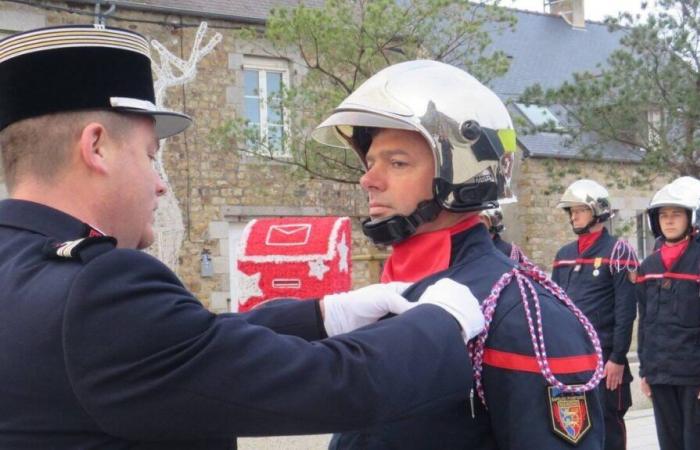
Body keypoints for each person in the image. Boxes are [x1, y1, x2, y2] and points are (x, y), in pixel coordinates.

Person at [0, 25, 487, 449]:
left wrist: (323, 315)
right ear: (97, 147)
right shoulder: (97, 290)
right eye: (151, 155)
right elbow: (340, 386)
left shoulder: (24, 268)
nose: (160, 181)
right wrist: (443, 320)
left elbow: (184, 344)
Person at [312, 59, 605, 449]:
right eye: (369, 164)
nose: (369, 179)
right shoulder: (384, 296)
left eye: (397, 163)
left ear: (462, 176)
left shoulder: (522, 315)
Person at [551, 179, 638, 450]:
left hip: (605, 361)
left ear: (597, 211)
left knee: (609, 429)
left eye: (579, 209)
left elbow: (626, 311)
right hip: (572, 359)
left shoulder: (619, 252)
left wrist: (617, 358)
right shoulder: (563, 255)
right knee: (575, 430)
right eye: (571, 211)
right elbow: (556, 307)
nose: (573, 216)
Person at [636, 181, 700, 450]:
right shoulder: (647, 267)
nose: (669, 221)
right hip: (661, 373)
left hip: (693, 374)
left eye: (676, 214)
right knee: (670, 444)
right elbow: (645, 323)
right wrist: (645, 370)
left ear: (692, 218)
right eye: (663, 215)